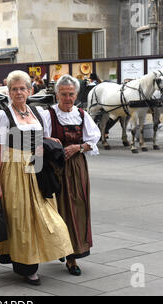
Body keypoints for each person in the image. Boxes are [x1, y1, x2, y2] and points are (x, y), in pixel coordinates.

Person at [0, 70, 74, 286]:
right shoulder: (2, 115)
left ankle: (51, 248)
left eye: (22, 88)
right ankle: (27, 267)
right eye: (14, 89)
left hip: (38, 168)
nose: (19, 92)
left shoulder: (37, 113)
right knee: (21, 218)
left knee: (46, 215)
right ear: (8, 92)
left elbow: (40, 138)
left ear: (30, 90)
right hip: (14, 170)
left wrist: (49, 140)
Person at [42, 75, 101, 276]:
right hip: (55, 168)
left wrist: (79, 147)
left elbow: (94, 137)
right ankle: (59, 248)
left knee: (77, 209)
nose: (68, 98)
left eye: (71, 94)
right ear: (57, 94)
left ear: (76, 95)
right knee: (57, 211)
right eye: (64, 94)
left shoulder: (82, 114)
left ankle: (72, 256)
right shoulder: (48, 115)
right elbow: (41, 139)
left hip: (76, 168)